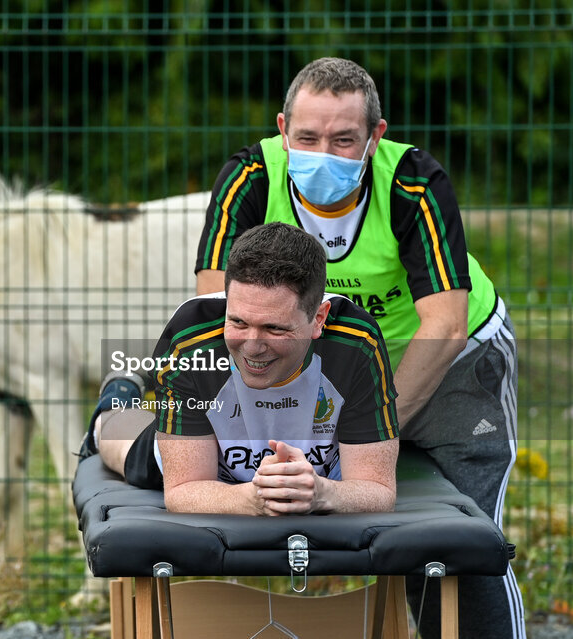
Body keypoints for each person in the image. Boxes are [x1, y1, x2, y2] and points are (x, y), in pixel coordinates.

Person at [193, 57, 524, 638]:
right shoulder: (249, 177)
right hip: (314, 356)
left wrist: (368, 430)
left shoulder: (412, 182)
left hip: (450, 358)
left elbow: (443, 324)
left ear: (376, 136)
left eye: (345, 139)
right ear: (281, 130)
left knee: (456, 540)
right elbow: (221, 313)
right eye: (307, 137)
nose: (324, 153)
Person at [81, 222, 399, 518]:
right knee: (117, 439)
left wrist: (322, 493)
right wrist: (253, 499)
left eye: (274, 328)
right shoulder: (190, 338)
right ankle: (116, 395)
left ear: (318, 319)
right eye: (238, 322)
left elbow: (379, 490)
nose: (252, 347)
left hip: (315, 469)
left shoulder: (357, 343)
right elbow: (181, 490)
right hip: (208, 450)